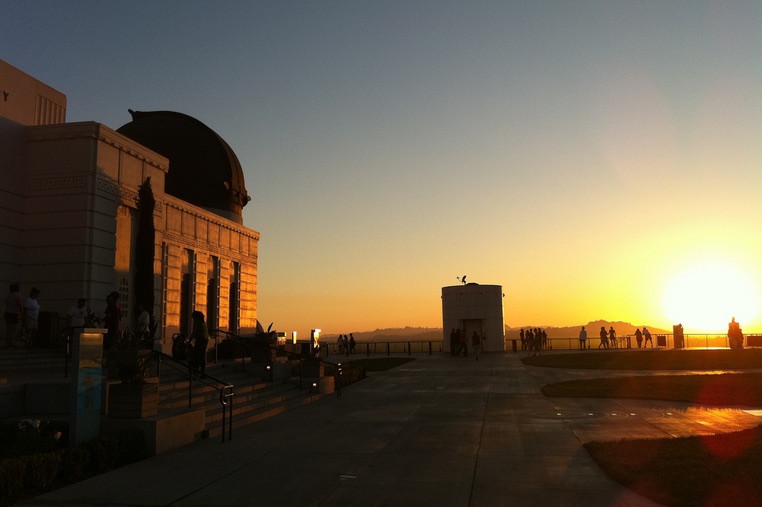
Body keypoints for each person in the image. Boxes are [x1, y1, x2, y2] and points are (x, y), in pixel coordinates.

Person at [190, 310, 209, 377]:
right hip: (205, 339)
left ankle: (196, 373)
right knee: (202, 355)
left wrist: (189, 341)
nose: (193, 319)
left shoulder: (197, 323)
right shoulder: (204, 323)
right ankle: (203, 372)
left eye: (193, 317)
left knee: (197, 355)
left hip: (200, 340)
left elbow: (194, 332)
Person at [4, 283, 23, 348]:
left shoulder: (8, 295)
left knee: (8, 328)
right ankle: (11, 342)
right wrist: (21, 313)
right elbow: (19, 304)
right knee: (13, 329)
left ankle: (7, 342)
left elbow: (6, 303)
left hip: (7, 313)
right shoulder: (17, 295)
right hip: (14, 313)